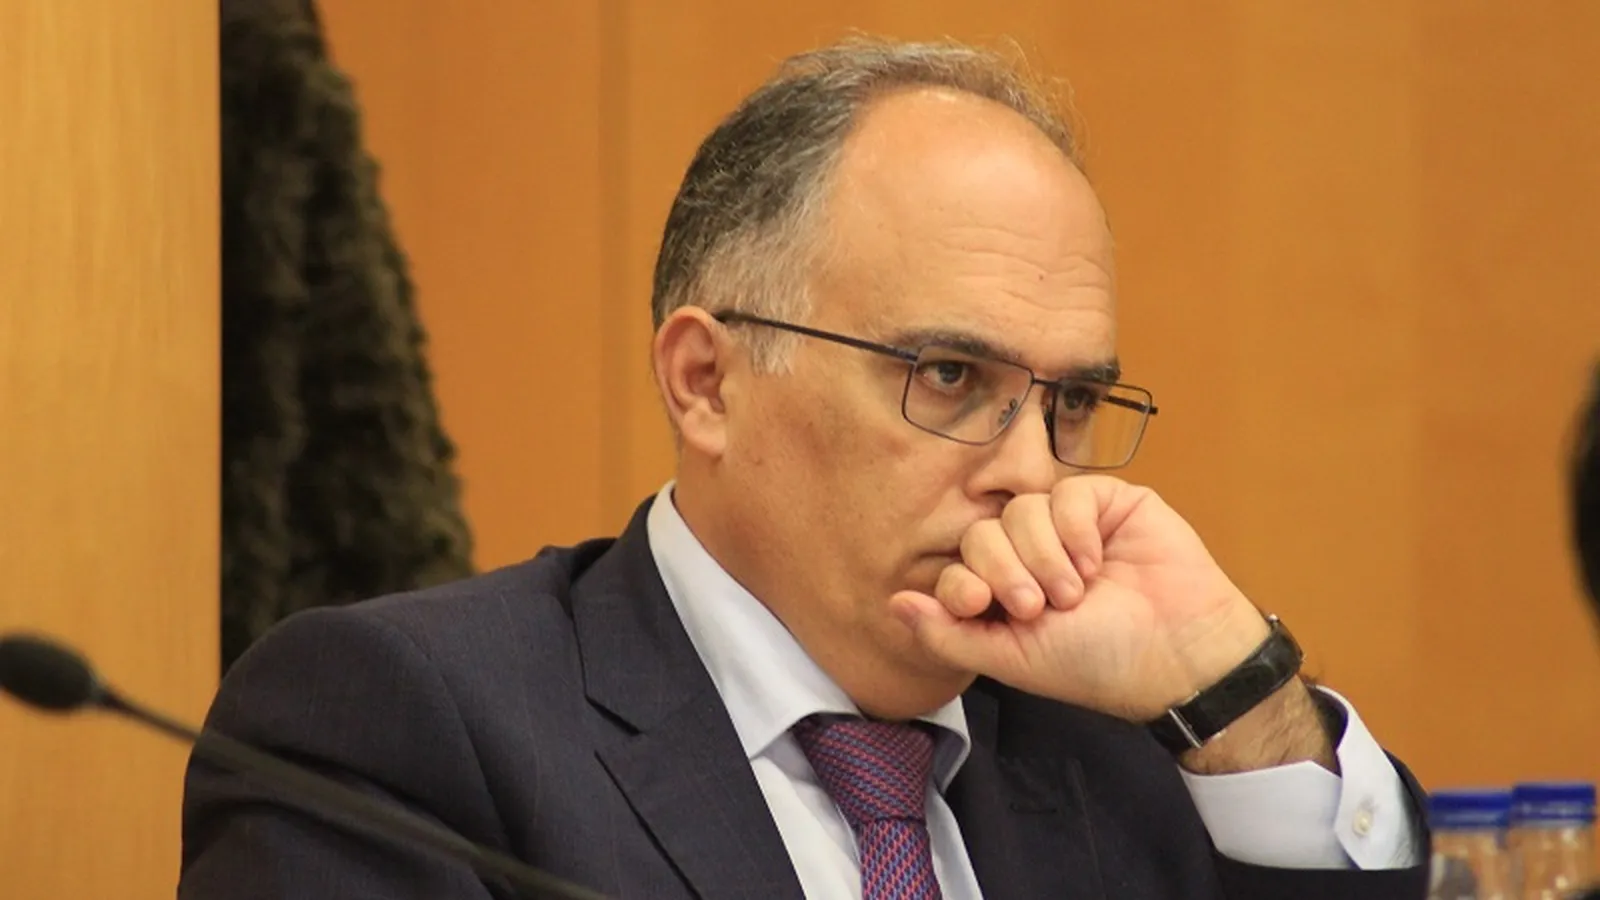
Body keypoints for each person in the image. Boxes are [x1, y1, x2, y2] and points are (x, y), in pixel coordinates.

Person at [178, 38, 1429, 899]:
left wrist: (1237, 694)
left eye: (1071, 403)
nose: (1032, 473)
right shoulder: (411, 728)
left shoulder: (1129, 751)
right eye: (950, 376)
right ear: (705, 382)